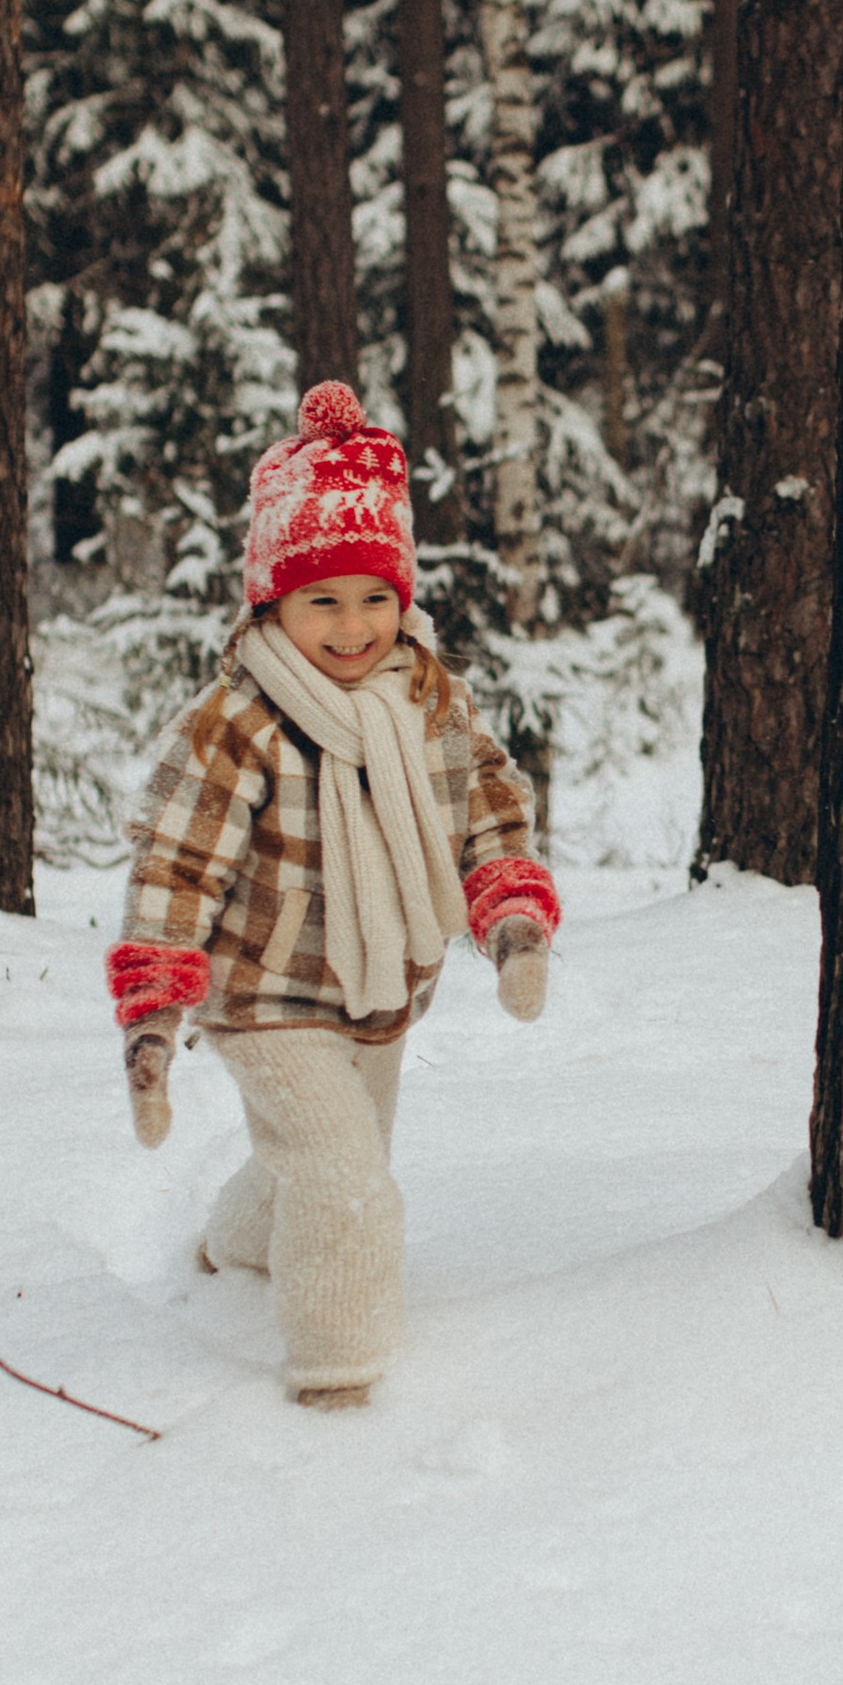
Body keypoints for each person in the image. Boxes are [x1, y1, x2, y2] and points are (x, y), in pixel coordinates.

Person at [108, 381, 557, 1411]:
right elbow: (177, 865)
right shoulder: (237, 722)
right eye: (323, 601)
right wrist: (156, 1008)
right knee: (348, 1174)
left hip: (382, 979)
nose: (353, 627)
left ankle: (238, 1239)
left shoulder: (425, 698)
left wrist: (513, 921)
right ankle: (335, 1380)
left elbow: (486, 808)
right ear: (270, 600)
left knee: (319, 1154)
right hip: (261, 990)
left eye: (374, 597)